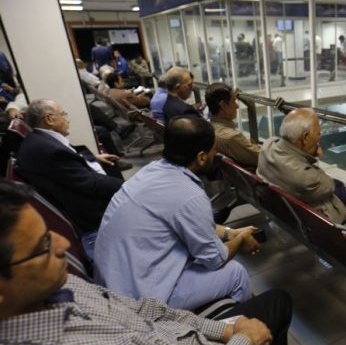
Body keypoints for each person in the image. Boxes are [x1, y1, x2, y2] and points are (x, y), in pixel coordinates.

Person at [0, 177, 346, 345]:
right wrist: (239, 344)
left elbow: (144, 309)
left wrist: (228, 330)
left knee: (276, 300)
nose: (63, 243)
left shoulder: (44, 289)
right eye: (40, 245)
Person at [97, 116, 259, 310]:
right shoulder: (190, 195)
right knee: (236, 273)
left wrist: (229, 233)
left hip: (114, 282)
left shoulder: (151, 171)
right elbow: (215, 260)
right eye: (214, 149)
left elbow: (186, 221)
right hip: (138, 301)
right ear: (201, 157)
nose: (216, 153)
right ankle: (243, 328)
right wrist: (240, 240)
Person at [16, 99, 124, 244]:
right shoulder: (50, 150)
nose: (67, 119)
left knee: (111, 167)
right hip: (92, 216)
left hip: (77, 199)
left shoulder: (40, 140)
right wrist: (127, 186)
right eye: (63, 114)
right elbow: (90, 184)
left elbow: (70, 162)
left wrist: (93, 158)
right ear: (49, 119)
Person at [257, 108, 346, 224]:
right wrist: (314, 156)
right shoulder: (306, 179)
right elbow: (327, 184)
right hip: (317, 215)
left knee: (338, 184)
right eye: (318, 132)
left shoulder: (268, 145)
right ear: (305, 137)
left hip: (285, 205)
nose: (320, 136)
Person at [206, 82, 260, 169]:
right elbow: (261, 157)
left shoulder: (209, 127)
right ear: (223, 105)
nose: (237, 106)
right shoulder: (232, 137)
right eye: (233, 101)